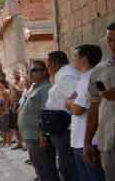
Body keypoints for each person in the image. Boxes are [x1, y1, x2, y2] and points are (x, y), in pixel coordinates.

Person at [66, 44, 105, 181]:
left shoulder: (91, 78)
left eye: (75, 56)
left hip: (88, 141)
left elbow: (77, 109)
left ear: (84, 59)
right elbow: (70, 102)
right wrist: (71, 103)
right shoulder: (82, 79)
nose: (73, 60)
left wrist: (71, 103)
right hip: (80, 140)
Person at [19, 60, 59, 181]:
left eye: (34, 70)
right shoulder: (35, 88)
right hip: (31, 136)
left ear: (44, 72)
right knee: (40, 168)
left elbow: (46, 113)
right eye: (30, 70)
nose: (31, 73)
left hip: (38, 137)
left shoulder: (46, 88)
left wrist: (44, 134)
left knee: (46, 169)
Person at [85, 21, 115, 181]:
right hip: (109, 141)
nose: (113, 44)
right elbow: (94, 107)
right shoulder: (99, 70)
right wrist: (88, 142)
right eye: (110, 40)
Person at [43, 51, 79, 181]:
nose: (48, 68)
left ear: (54, 63)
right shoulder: (63, 74)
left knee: (67, 166)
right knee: (65, 164)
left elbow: (77, 97)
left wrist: (68, 104)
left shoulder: (66, 76)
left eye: (48, 65)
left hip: (64, 127)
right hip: (59, 126)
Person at [10, 69, 25, 150]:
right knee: (15, 126)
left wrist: (14, 86)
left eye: (17, 73)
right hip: (13, 106)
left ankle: (23, 143)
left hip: (19, 105)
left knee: (20, 125)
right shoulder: (13, 82)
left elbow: (21, 93)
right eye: (14, 73)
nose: (16, 75)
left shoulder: (22, 82)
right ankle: (18, 143)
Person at [0, 79, 12, 147]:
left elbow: (7, 103)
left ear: (3, 84)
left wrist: (4, 112)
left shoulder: (5, 92)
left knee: (6, 128)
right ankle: (4, 142)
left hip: (4, 112)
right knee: (1, 128)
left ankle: (8, 142)